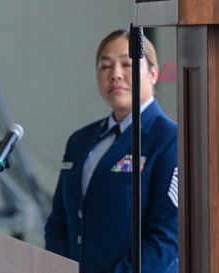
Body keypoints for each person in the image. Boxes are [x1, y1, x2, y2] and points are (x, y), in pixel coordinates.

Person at [45, 29, 178, 272]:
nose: (115, 75)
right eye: (105, 66)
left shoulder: (171, 140)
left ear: (153, 73)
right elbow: (59, 222)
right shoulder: (80, 140)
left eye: (127, 64)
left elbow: (167, 238)